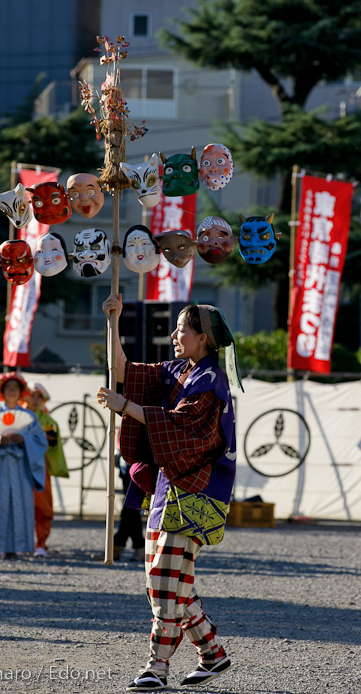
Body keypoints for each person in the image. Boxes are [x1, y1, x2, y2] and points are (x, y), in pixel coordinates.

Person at [97, 294, 242, 691]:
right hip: (171, 487)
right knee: (168, 582)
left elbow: (185, 429)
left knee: (164, 581)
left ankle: (156, 667)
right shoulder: (179, 370)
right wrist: (114, 320)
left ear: (204, 339)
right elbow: (124, 369)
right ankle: (212, 653)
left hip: (199, 489)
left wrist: (126, 406)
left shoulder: (211, 381)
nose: (174, 335)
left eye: (182, 330)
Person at [0, 373, 48, 559]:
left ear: (21, 393)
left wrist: (24, 439)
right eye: (8, 388)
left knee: (19, 503)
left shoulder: (29, 416)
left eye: (16, 388)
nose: (12, 391)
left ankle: (16, 547)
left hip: (21, 465)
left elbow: (40, 441)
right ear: (2, 392)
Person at [22, 382, 69, 558]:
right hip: (17, 468)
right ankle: (19, 542)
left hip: (40, 470)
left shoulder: (49, 421)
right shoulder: (15, 415)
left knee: (42, 507)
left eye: (38, 397)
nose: (34, 400)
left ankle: (41, 543)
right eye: (32, 395)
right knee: (17, 505)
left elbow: (51, 445)